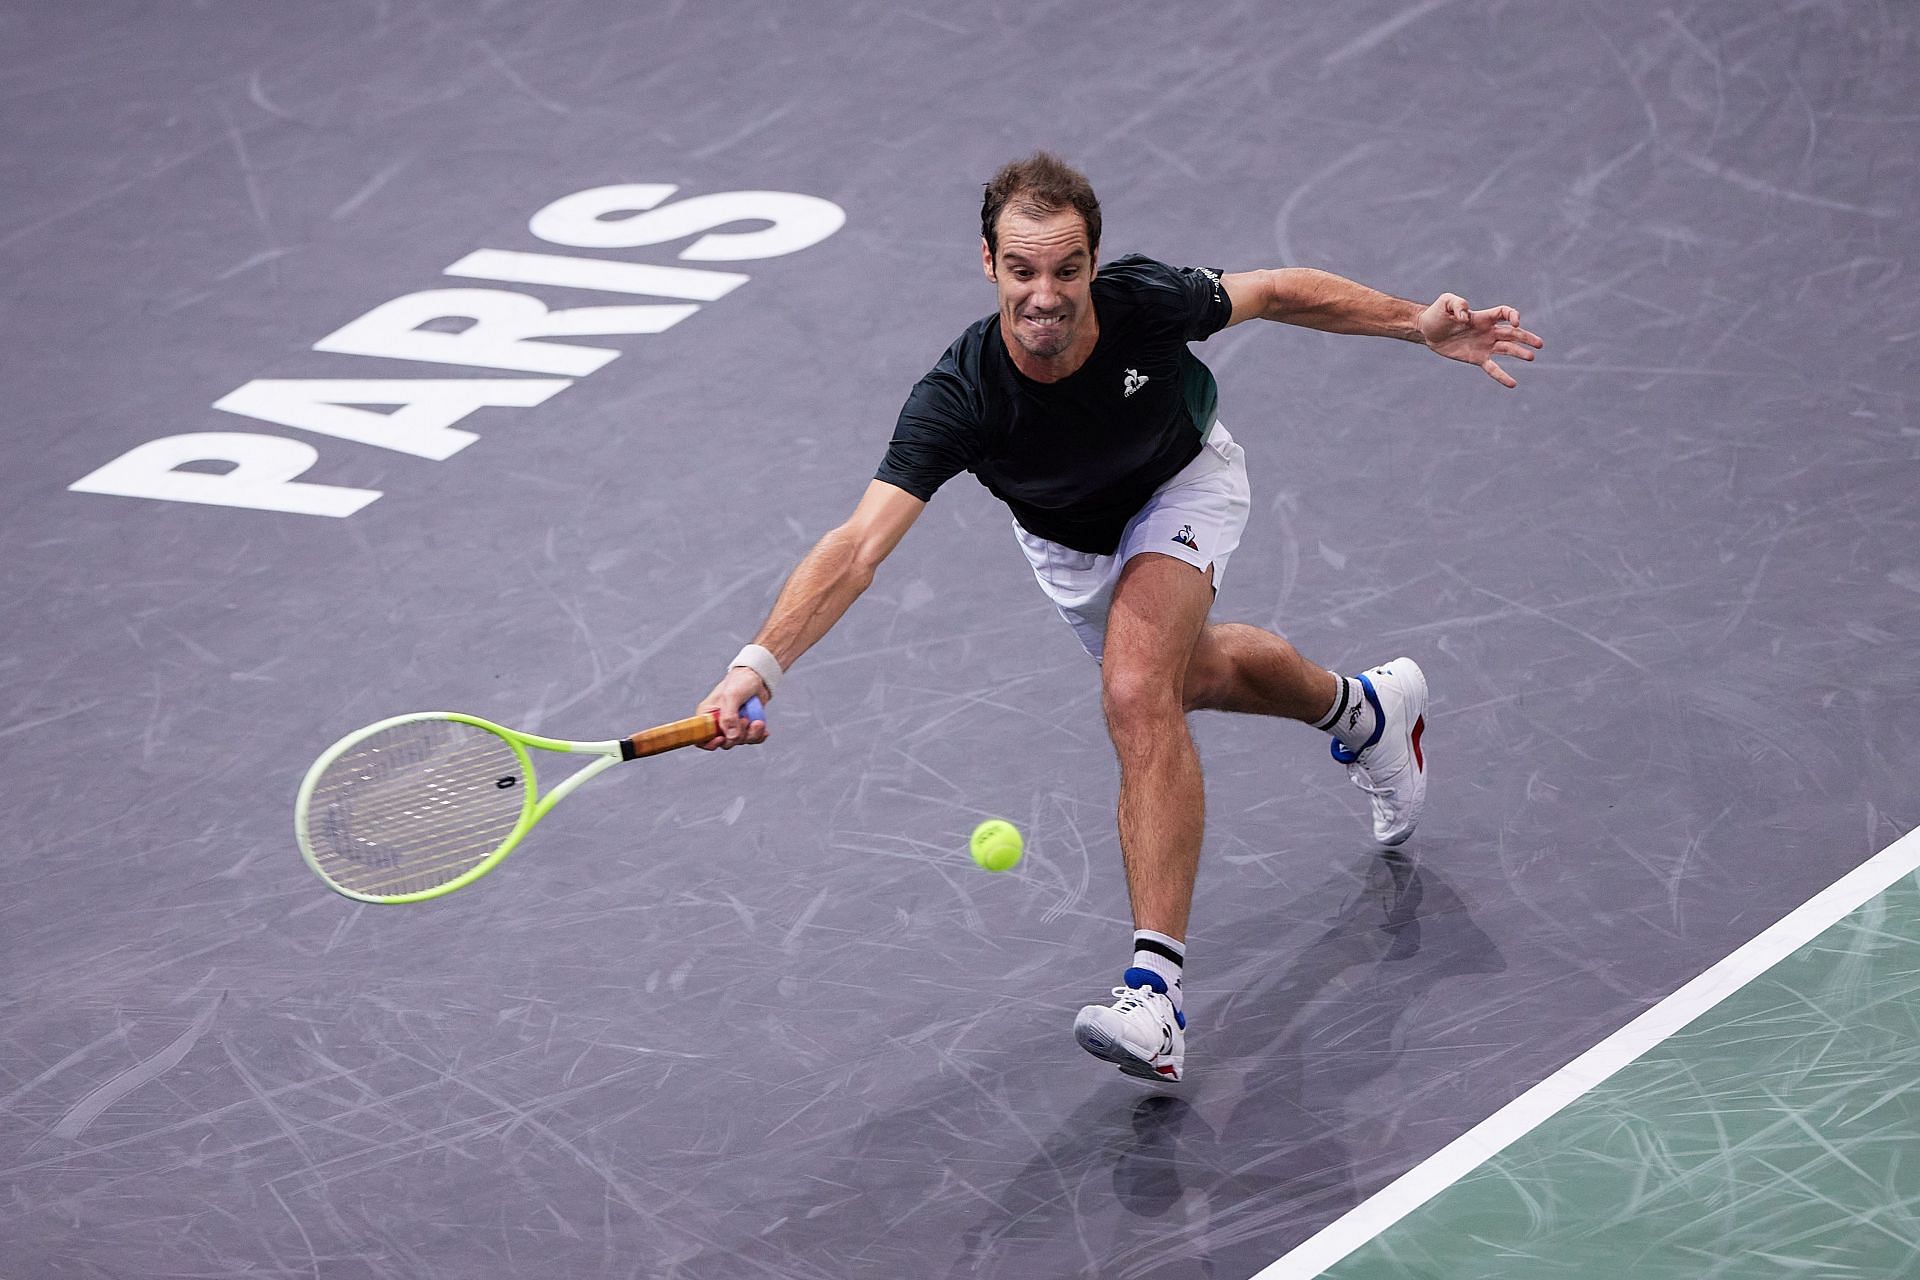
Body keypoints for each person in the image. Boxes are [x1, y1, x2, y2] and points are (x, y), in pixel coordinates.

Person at [697, 152, 1543, 1084]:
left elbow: (1276, 293)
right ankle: (1366, 713)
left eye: (1066, 269)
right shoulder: (961, 396)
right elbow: (857, 548)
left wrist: (1415, 325)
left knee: (1137, 690)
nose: (1045, 294)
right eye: (1023, 270)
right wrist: (757, 666)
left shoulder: (1145, 301)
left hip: (1184, 483)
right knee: (1194, 677)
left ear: (1093, 262)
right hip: (1070, 546)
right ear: (989, 265)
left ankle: (1158, 994)